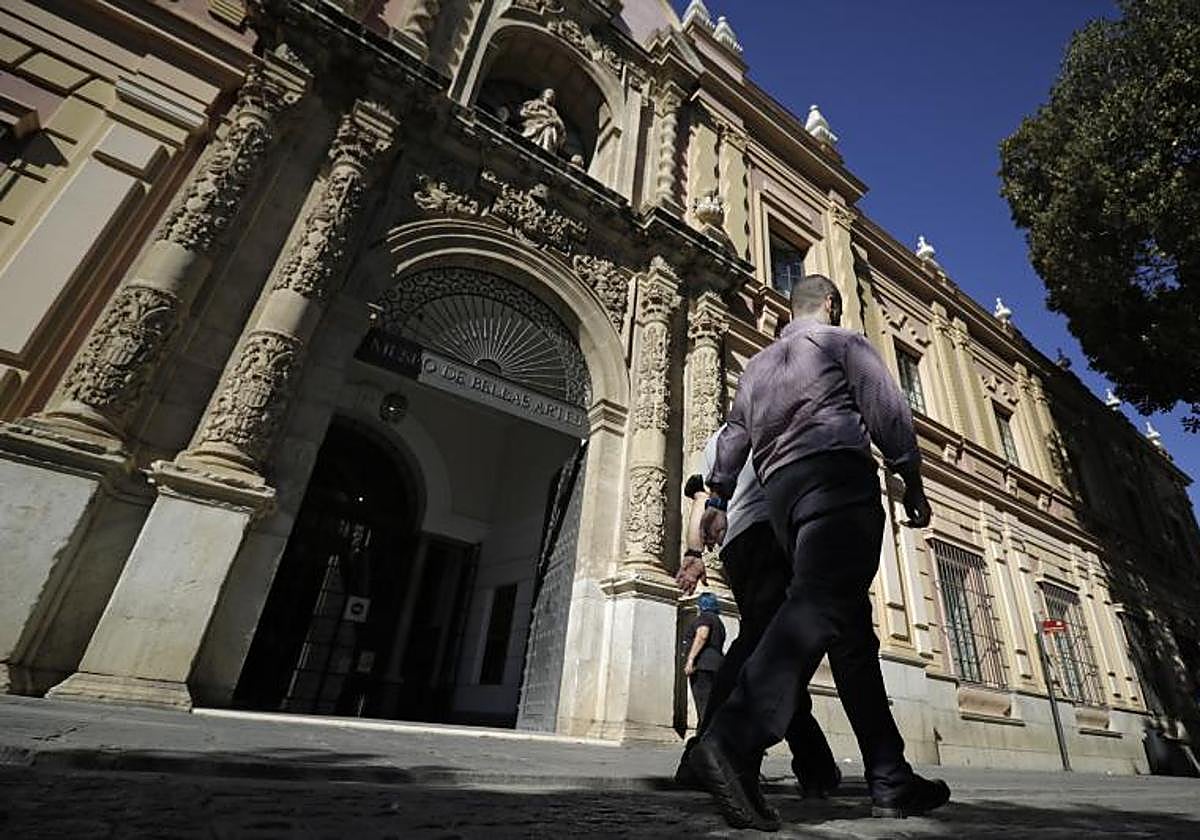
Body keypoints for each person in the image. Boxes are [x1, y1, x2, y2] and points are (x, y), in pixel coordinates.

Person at [689, 273, 951, 831]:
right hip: (838, 476)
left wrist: (716, 496)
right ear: (830, 304)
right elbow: (887, 408)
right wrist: (911, 477)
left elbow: (735, 435)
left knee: (852, 633)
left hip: (784, 493)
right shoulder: (842, 342)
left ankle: (889, 775)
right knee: (819, 603)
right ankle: (734, 739)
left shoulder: (758, 367)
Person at [675, 433, 841, 799]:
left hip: (735, 546)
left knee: (769, 645)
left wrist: (693, 552)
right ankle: (710, 748)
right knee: (772, 646)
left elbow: (700, 502)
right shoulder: (775, 418)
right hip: (771, 534)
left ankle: (816, 766)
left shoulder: (715, 441)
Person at [681, 592, 725, 725]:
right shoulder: (718, 621)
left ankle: (704, 738)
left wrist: (690, 660)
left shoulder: (705, 618)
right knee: (713, 704)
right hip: (717, 665)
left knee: (703, 704)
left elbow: (702, 636)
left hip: (703, 666)